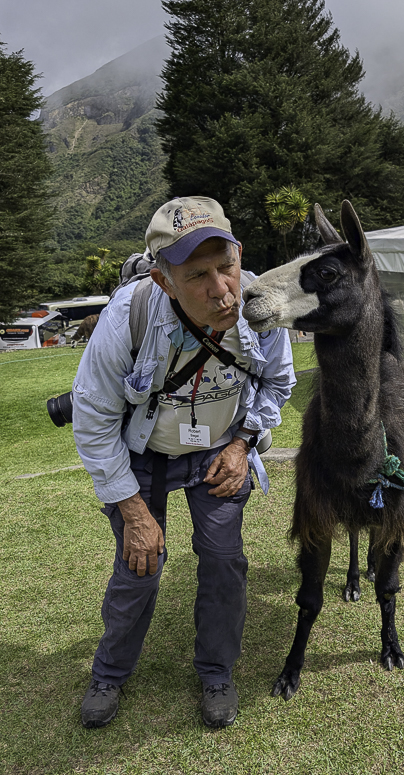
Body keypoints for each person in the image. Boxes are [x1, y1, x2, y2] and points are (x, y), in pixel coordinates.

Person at [72, 196, 295, 730]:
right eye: (198, 274)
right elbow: (94, 420)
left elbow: (278, 381)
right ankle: (109, 672)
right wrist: (133, 511)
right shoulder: (130, 315)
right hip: (141, 455)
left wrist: (243, 442)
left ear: (240, 255)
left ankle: (217, 672)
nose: (223, 290)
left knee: (223, 562)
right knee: (140, 568)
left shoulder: (259, 304)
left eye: (227, 266)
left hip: (218, 451)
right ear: (164, 280)